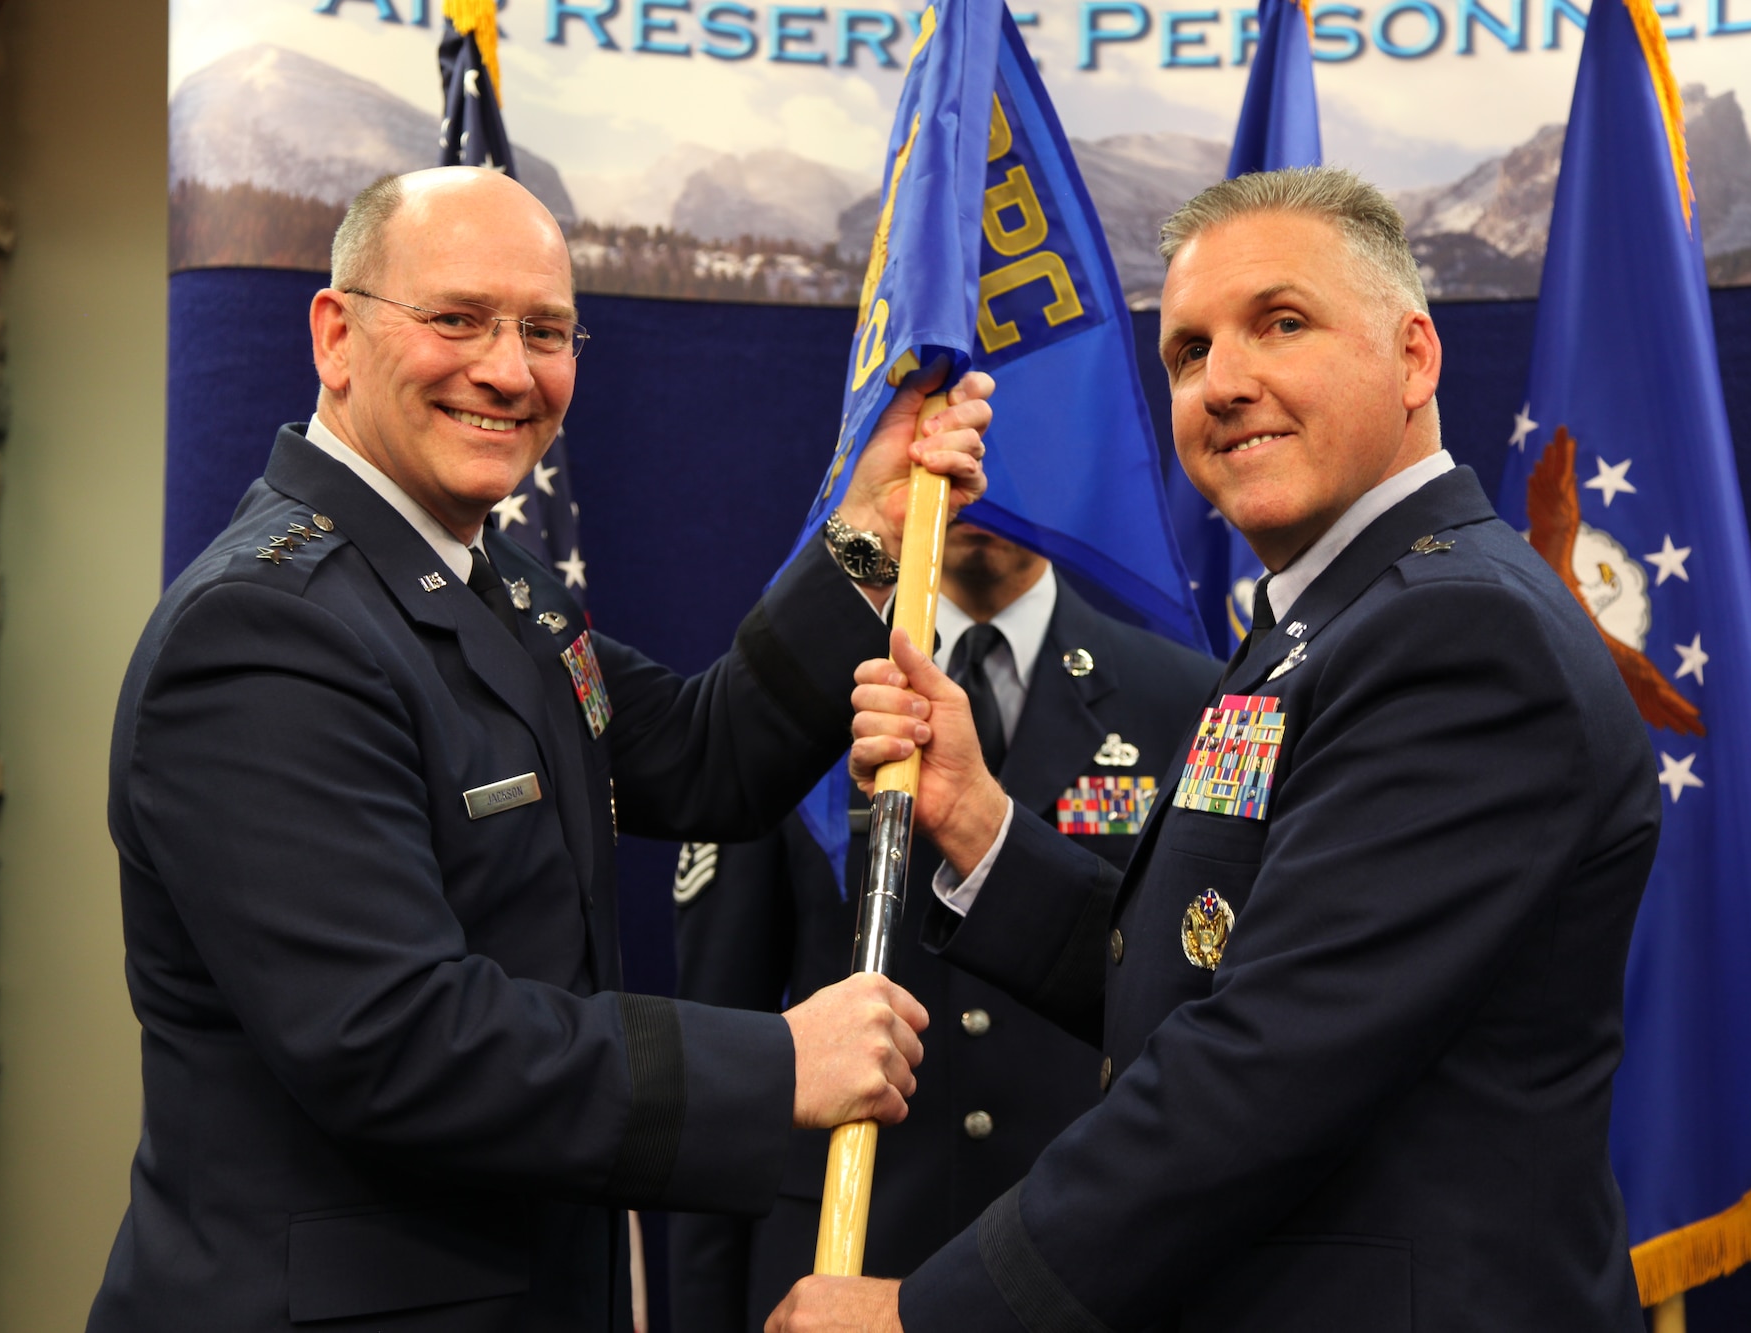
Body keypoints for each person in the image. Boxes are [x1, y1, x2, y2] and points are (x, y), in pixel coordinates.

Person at [88, 166, 998, 1333]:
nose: (508, 370)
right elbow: (395, 1038)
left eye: (545, 331)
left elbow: (706, 755)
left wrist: (867, 529)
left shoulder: (494, 588)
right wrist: (774, 1066)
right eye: (456, 319)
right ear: (335, 334)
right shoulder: (268, 631)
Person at [770, 167, 1661, 1332]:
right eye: (1186, 354)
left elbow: (1265, 1061)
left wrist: (928, 1314)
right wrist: (981, 823)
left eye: (1279, 324)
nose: (1223, 383)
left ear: (1413, 357)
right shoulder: (1327, 619)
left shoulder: (1456, 633)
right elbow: (1199, 966)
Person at [669, 524, 1218, 1329]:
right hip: (836, 1261)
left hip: (1075, 1279)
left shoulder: (1181, 696)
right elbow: (721, 1039)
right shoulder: (801, 694)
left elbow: (1194, 1008)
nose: (985, 485)